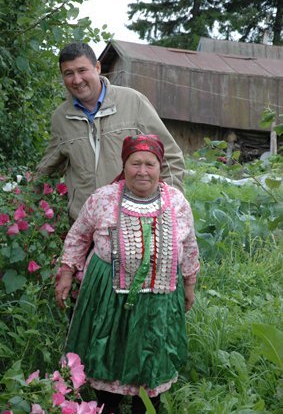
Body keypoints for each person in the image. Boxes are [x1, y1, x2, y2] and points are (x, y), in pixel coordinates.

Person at [55, 134, 200, 414]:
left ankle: (144, 406)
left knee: (152, 354)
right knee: (108, 349)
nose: (142, 171)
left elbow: (190, 245)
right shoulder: (104, 198)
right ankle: (106, 405)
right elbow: (78, 236)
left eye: (150, 164)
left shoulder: (177, 202)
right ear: (125, 165)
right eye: (135, 163)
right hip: (108, 295)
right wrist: (66, 272)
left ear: (160, 167)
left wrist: (189, 284)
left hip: (159, 299)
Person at [36, 42, 185, 223]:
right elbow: (48, 166)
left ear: (97, 67)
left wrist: (169, 208)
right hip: (85, 225)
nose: (76, 80)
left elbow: (170, 158)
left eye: (82, 70)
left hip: (133, 222)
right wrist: (25, 200)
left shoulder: (133, 102)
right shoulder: (61, 117)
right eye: (69, 73)